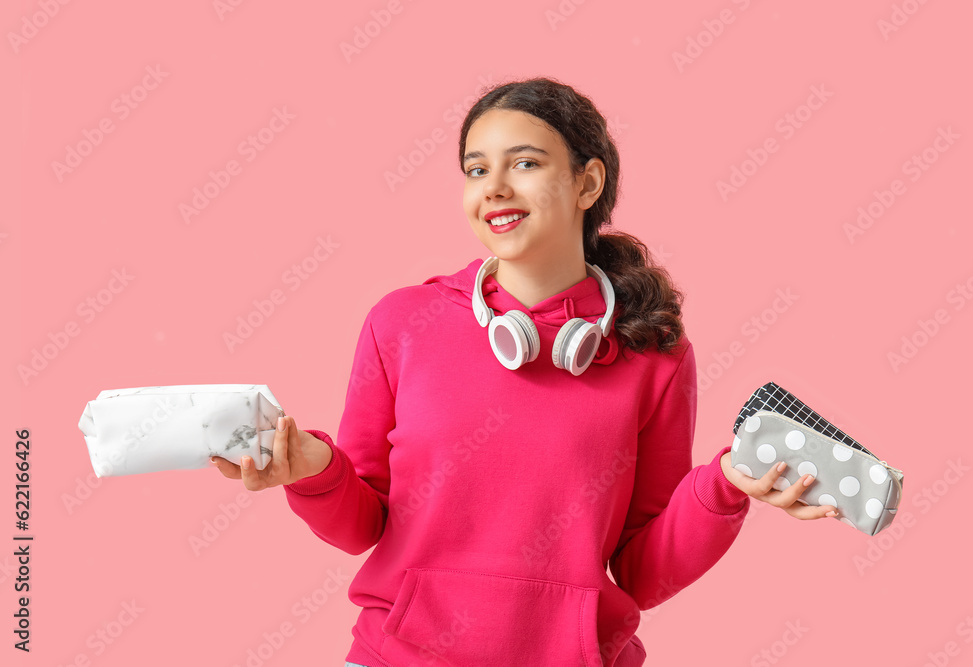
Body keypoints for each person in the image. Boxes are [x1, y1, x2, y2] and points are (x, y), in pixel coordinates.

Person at [211, 76, 839, 667]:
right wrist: (314, 472)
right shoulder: (402, 322)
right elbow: (362, 526)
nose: (494, 187)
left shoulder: (656, 355)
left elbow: (644, 573)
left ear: (587, 183)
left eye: (526, 163)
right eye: (477, 170)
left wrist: (726, 485)